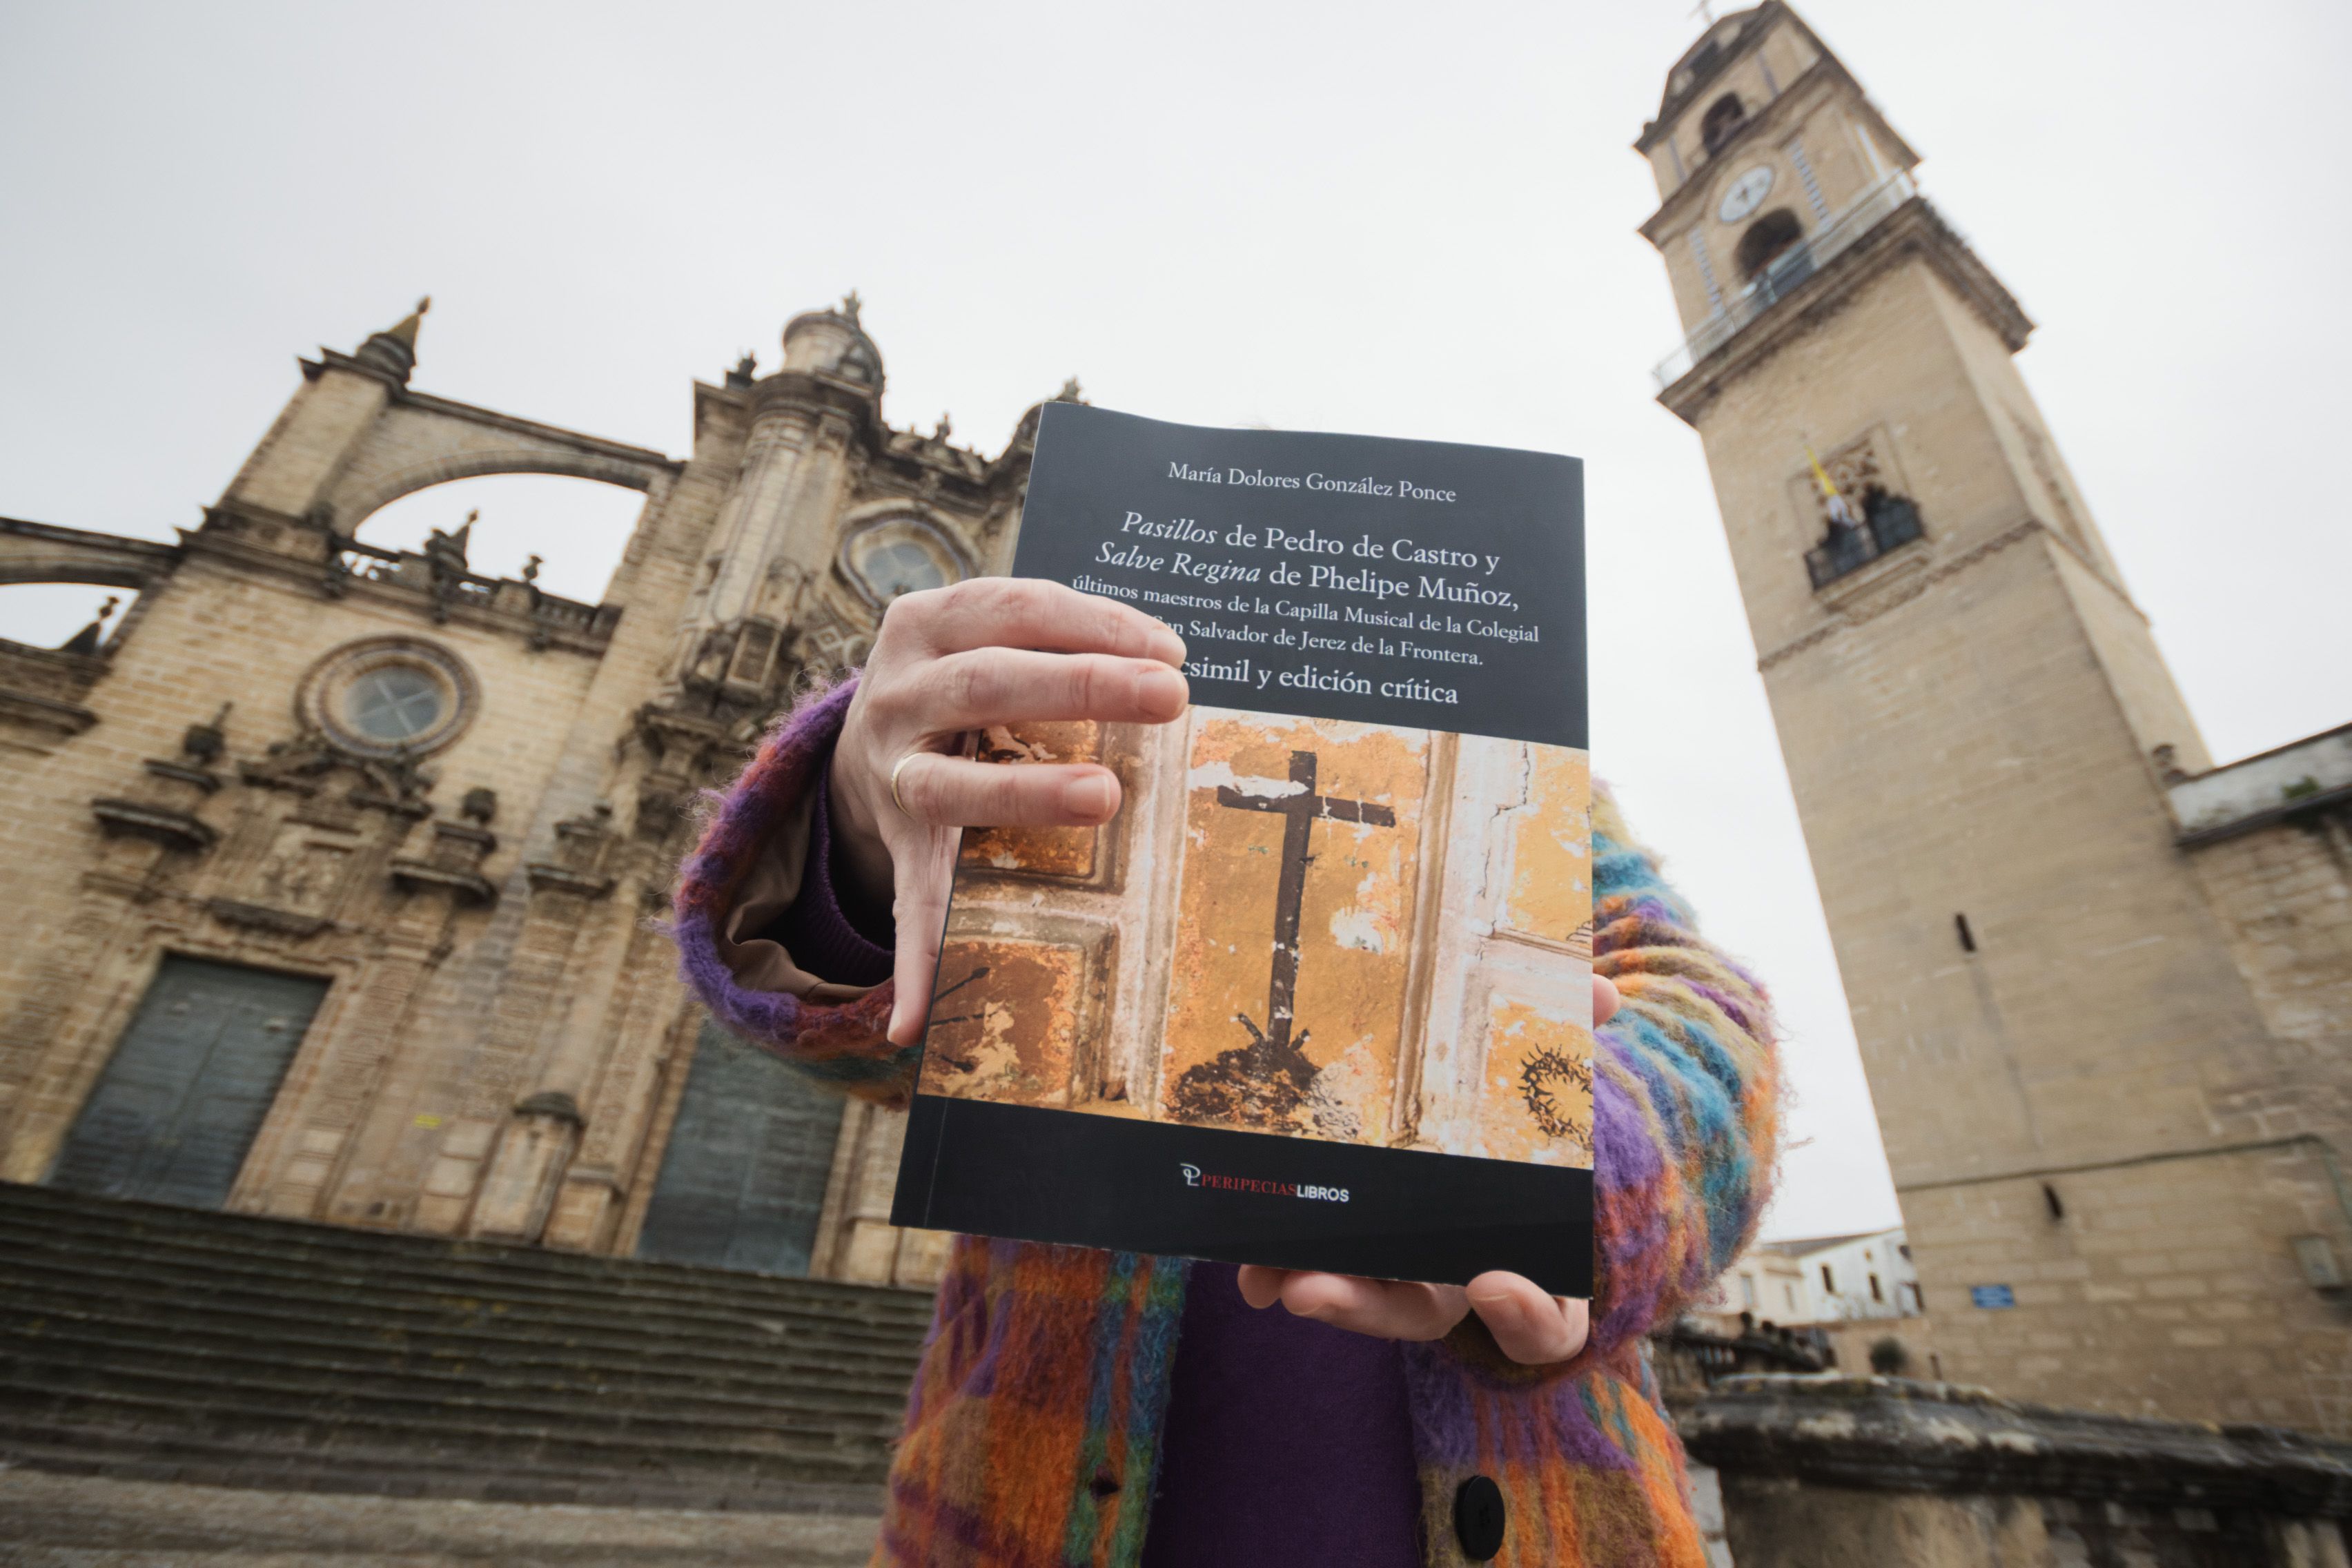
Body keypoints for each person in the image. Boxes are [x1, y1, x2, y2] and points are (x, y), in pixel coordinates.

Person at [672, 578, 1780, 1567]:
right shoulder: (1058, 741)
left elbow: (1698, 1009)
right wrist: (863, 854)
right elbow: (875, 1055)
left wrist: (1559, 1180)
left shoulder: (1530, 780)